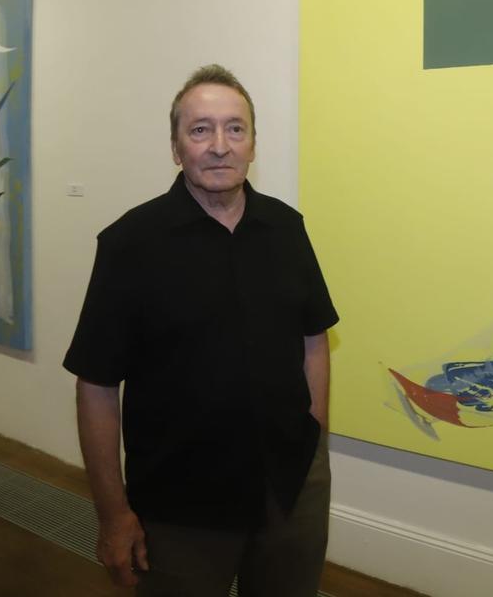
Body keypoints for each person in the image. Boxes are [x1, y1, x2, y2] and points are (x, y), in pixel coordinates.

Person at [63, 64, 338, 596]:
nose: (219, 145)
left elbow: (314, 339)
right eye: (199, 130)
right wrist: (113, 514)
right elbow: (96, 385)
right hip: (179, 509)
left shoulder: (286, 229)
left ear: (253, 144)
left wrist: (313, 441)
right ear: (176, 147)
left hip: (289, 493)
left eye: (235, 128)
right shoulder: (130, 244)